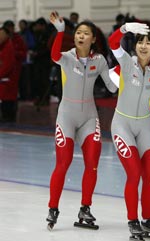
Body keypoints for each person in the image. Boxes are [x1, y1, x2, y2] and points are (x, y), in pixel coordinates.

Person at [46, 12, 118, 230]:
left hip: (89, 117)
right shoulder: (67, 57)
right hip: (66, 116)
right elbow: (53, 56)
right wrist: (60, 31)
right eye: (78, 32)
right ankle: (53, 208)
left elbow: (112, 87)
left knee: (92, 165)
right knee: (63, 163)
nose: (81, 36)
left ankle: (85, 208)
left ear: (93, 39)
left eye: (86, 33)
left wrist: (125, 70)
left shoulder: (99, 60)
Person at [108, 22, 150, 240]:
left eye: (149, 42)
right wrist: (125, 28)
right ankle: (133, 221)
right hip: (122, 125)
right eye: (140, 42)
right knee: (134, 173)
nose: (144, 46)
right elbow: (112, 42)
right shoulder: (126, 62)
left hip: (144, 127)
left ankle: (148, 220)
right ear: (135, 46)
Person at [0, 26, 18, 122]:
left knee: (8, 100)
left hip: (8, 79)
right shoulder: (3, 46)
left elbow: (8, 65)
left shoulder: (8, 47)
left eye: (2, 35)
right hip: (4, 79)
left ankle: (9, 118)